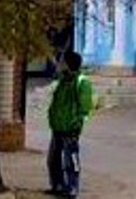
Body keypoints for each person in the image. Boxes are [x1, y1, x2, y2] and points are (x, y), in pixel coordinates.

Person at [47, 50, 94, 197]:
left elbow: (85, 108)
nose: (60, 63)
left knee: (71, 160)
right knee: (53, 159)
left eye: (62, 61)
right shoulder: (63, 81)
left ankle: (72, 187)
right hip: (58, 127)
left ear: (68, 64)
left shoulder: (81, 82)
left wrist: (77, 124)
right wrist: (53, 118)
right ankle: (58, 185)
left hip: (71, 129)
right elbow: (57, 103)